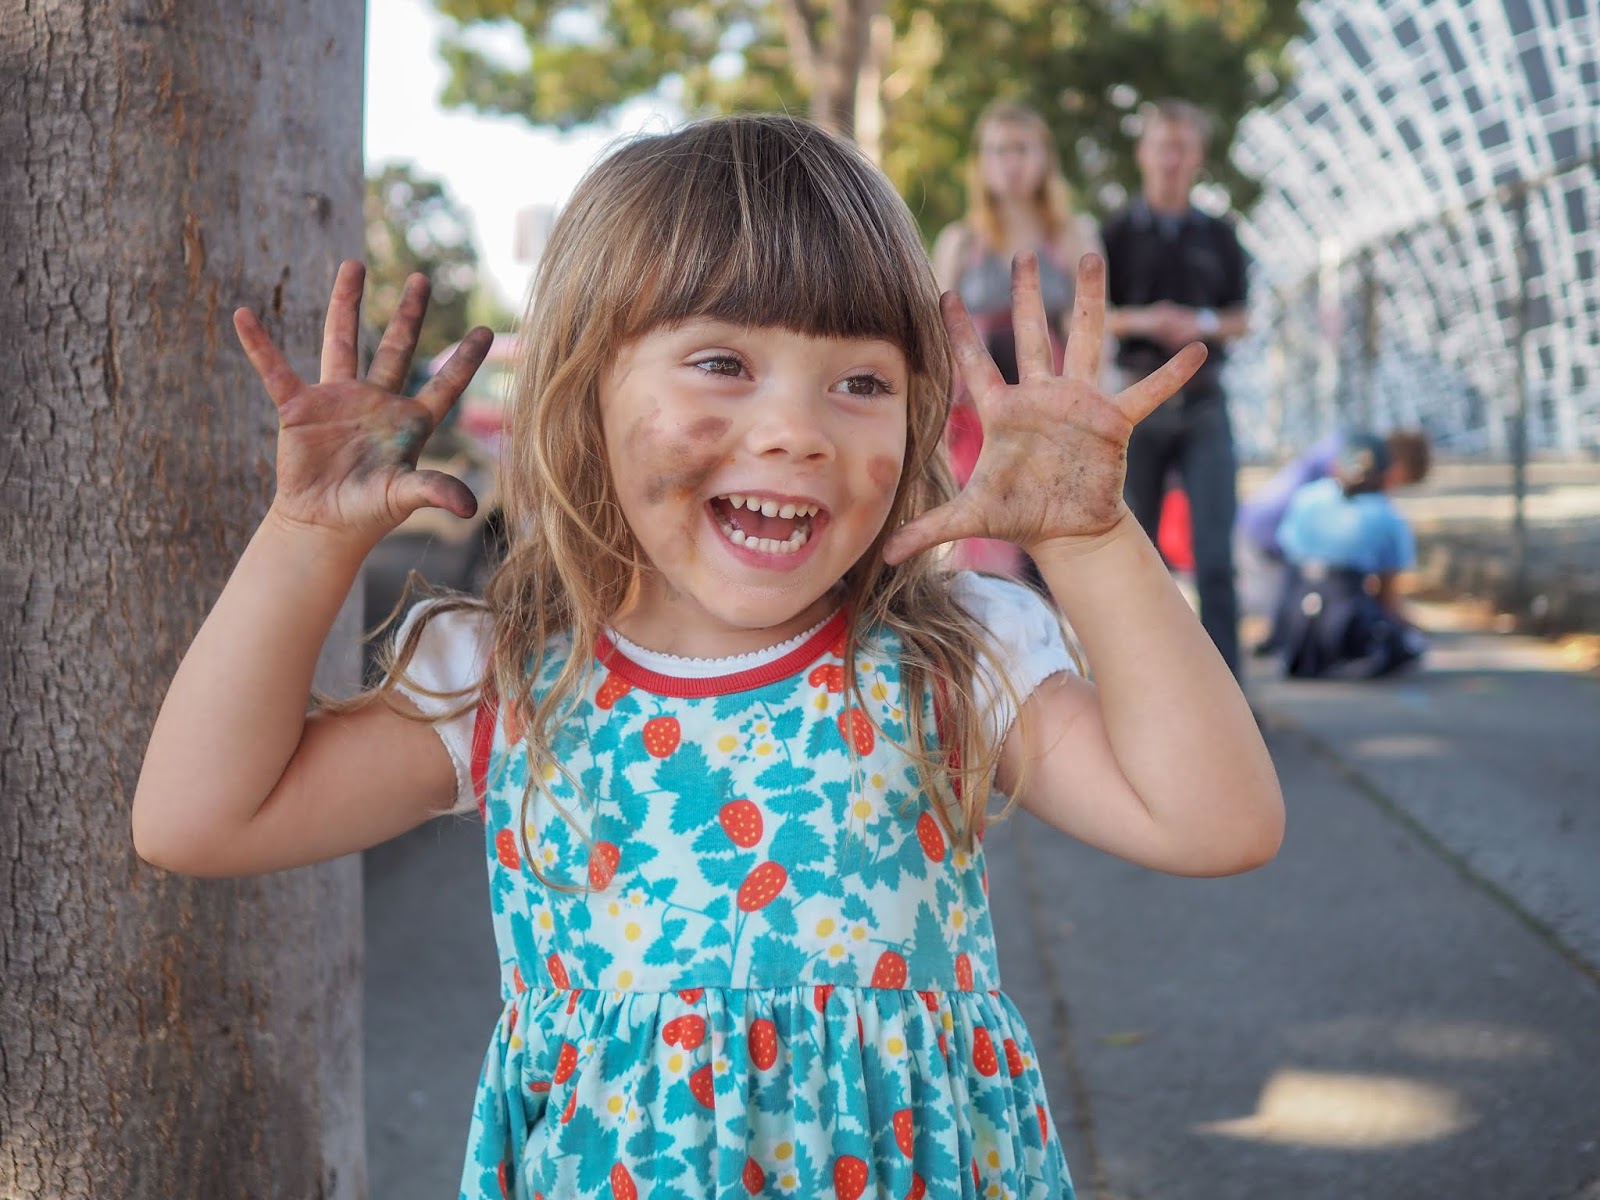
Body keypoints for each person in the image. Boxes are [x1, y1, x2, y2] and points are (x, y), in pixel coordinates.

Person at [132, 114, 1283, 1200]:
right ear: (584, 398)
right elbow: (199, 818)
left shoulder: (952, 656)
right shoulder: (512, 678)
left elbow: (1216, 821)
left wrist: (1093, 540)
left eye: (862, 382)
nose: (796, 427)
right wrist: (303, 542)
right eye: (722, 364)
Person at [1102, 99, 1250, 674]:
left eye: (1181, 147)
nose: (1170, 158)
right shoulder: (1113, 233)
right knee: (1140, 557)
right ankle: (1148, 684)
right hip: (1139, 403)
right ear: (1143, 153)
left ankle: (1230, 689)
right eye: (1162, 145)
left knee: (1216, 556)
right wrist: (1148, 319)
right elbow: (1094, 314)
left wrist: (1202, 324)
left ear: (1197, 157)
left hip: (1205, 402)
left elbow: (1241, 315)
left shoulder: (1220, 234)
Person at [932, 101, 1096, 580]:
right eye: (999, 151)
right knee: (985, 544)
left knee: (1049, 541)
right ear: (981, 163)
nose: (1010, 162)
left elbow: (1092, 331)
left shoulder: (1071, 236)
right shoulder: (960, 241)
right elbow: (942, 335)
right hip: (977, 411)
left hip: (1050, 406)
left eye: (1022, 149)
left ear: (1044, 158)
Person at [1237, 428, 1432, 651]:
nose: (1392, 488)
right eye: (1397, 481)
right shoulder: (1381, 512)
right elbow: (1385, 593)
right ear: (1390, 466)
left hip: (1270, 531)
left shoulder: (1318, 492)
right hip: (1265, 536)